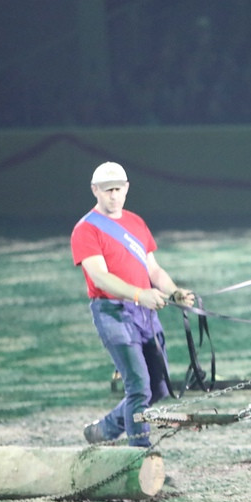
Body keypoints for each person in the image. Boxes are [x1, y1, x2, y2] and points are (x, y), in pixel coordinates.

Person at [71, 162, 195, 446]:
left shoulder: (136, 222)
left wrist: (175, 292)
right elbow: (100, 277)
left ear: (126, 188)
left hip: (145, 313)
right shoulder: (86, 229)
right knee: (138, 387)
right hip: (113, 313)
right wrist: (140, 295)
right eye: (107, 190)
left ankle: (105, 429)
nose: (113, 196)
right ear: (95, 191)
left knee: (156, 387)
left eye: (118, 189)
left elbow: (153, 270)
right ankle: (140, 457)